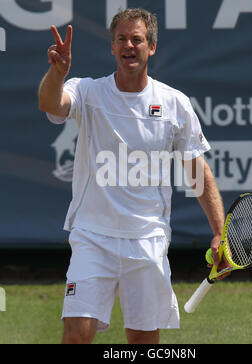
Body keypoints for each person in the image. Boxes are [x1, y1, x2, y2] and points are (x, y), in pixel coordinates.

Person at [38, 8, 229, 345]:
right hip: (92, 238)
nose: (129, 45)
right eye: (121, 40)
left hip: (147, 240)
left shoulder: (174, 104)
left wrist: (218, 232)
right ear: (112, 47)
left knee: (143, 342)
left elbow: (198, 173)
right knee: (75, 335)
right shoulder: (87, 91)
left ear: (150, 47)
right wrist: (58, 72)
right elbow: (50, 103)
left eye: (136, 39)